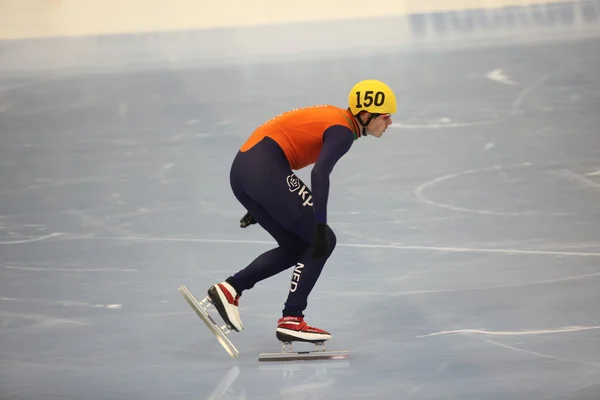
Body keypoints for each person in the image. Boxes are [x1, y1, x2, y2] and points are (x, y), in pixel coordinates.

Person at [206, 79, 396, 343]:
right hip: (262, 169)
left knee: (296, 247)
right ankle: (292, 318)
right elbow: (319, 173)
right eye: (386, 117)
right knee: (323, 240)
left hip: (244, 172)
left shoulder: (338, 119)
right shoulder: (343, 131)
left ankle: (229, 290)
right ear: (365, 114)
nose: (390, 123)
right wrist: (319, 222)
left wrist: (266, 198)